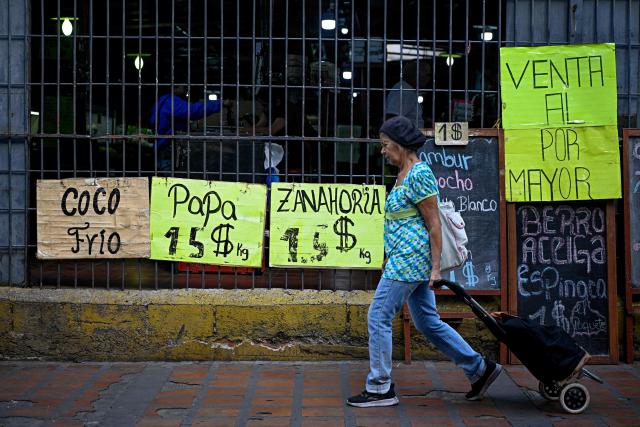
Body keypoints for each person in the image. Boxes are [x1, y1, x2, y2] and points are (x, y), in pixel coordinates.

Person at [346, 115, 502, 408]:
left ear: (401, 145)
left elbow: (433, 224)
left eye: (385, 145)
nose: (382, 151)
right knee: (427, 322)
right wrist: (388, 255)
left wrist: (434, 268)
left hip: (411, 261)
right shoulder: (404, 173)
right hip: (403, 258)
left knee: (378, 315)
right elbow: (404, 222)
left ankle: (380, 387)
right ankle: (481, 369)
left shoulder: (419, 174)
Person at [149, 84, 230, 171]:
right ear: (176, 87)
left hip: (162, 147)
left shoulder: (163, 100)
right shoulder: (171, 102)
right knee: (171, 181)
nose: (186, 90)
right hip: (167, 149)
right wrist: (220, 103)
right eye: (184, 87)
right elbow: (193, 110)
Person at [385, 60, 431, 128]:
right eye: (427, 74)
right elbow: (392, 118)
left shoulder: (408, 90)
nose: (429, 78)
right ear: (416, 75)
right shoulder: (404, 91)